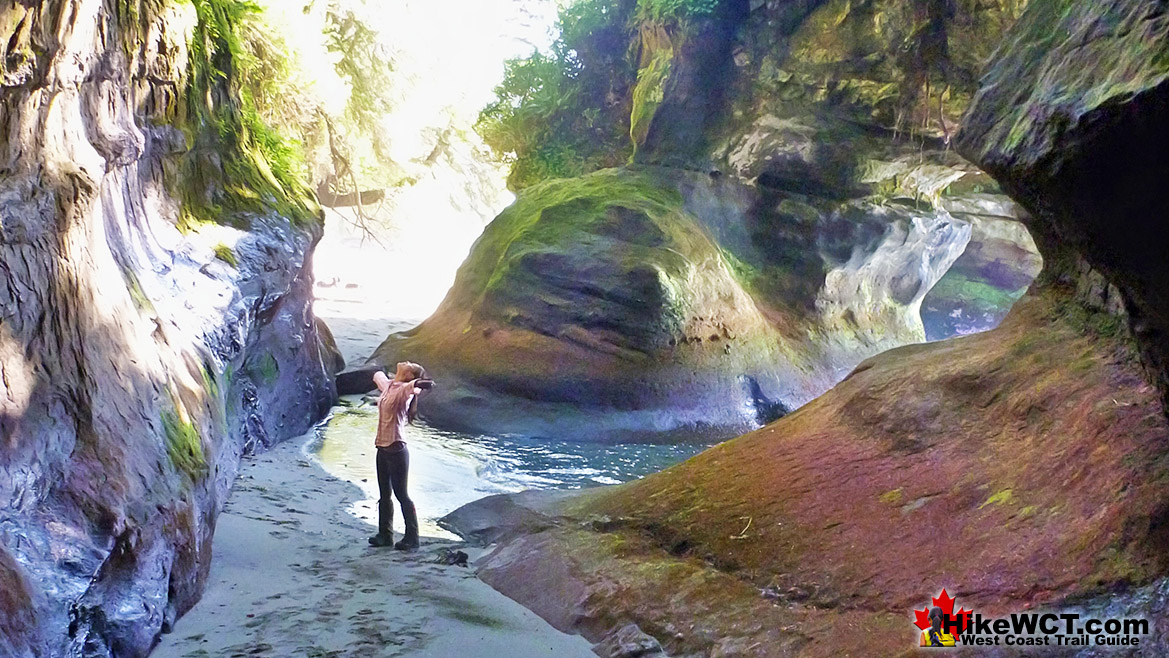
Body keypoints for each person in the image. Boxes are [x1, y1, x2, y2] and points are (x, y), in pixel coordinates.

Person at [367, 361, 433, 550]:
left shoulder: (405, 390)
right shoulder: (389, 386)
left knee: (401, 494)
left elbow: (416, 387)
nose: (406, 362)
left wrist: (421, 384)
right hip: (381, 446)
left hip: (396, 448)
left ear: (409, 376)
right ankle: (385, 534)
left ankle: (412, 538)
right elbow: (377, 375)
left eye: (410, 364)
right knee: (384, 493)